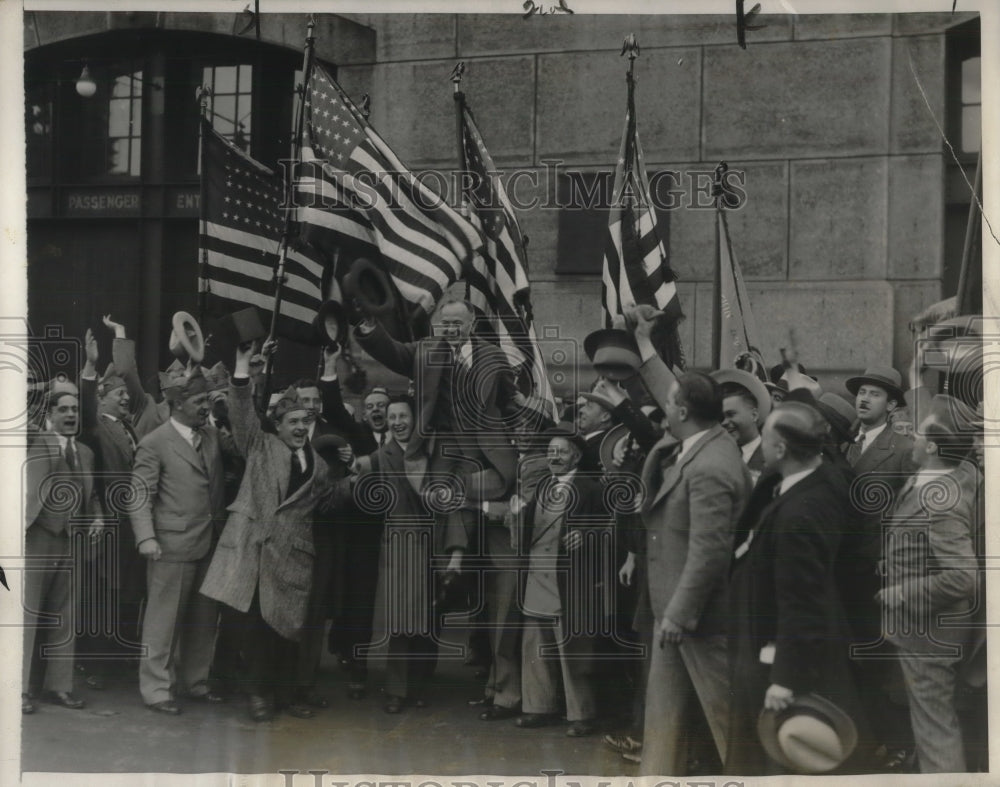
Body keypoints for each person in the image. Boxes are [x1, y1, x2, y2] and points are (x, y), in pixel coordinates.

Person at [199, 340, 352, 722]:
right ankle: (257, 695)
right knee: (251, 627)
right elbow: (240, 411)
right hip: (252, 549)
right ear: (278, 426)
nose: (300, 428)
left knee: (284, 629)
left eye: (304, 422)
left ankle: (283, 696)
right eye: (293, 423)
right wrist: (240, 366)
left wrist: (353, 476)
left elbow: (331, 501)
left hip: (292, 556)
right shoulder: (260, 444)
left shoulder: (319, 465)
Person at [628, 306, 751, 776]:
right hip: (674, 613)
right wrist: (643, 341)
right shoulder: (703, 436)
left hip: (696, 616)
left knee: (727, 724)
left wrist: (679, 613)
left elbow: (710, 550)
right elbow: (667, 389)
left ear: (683, 412)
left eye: (671, 403)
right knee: (664, 721)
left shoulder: (712, 467)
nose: (665, 405)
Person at [726, 402, 867, 775]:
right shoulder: (820, 482)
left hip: (790, 666)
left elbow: (802, 601)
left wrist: (784, 679)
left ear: (780, 450)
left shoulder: (799, 514)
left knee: (777, 767)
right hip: (803, 650)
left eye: (768, 438)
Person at [877, 395, 981, 773]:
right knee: (930, 722)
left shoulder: (942, 504)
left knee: (935, 729)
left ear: (933, 447)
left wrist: (901, 591)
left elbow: (962, 578)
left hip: (929, 634)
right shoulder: (955, 474)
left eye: (919, 434)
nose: (912, 438)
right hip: (924, 631)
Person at [130, 365, 227, 715]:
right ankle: (157, 689)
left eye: (207, 399)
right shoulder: (154, 443)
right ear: (179, 404)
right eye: (200, 401)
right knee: (164, 620)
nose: (206, 406)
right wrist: (145, 537)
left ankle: (195, 682)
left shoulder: (212, 436)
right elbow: (139, 494)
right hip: (170, 546)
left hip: (209, 542)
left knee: (204, 619)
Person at [515, 426, 611, 737]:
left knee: (572, 649)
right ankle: (537, 707)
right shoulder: (542, 485)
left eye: (562, 452)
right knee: (535, 646)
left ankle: (582, 714)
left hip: (571, 583)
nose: (554, 457)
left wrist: (588, 536)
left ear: (577, 456)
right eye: (551, 452)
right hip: (536, 578)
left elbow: (614, 532)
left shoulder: (592, 489)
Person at [351, 396, 438, 712]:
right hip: (400, 546)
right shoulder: (378, 457)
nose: (398, 422)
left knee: (427, 620)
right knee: (401, 621)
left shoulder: (431, 452)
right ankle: (396, 691)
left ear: (414, 419)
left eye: (404, 416)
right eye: (393, 417)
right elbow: (359, 491)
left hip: (431, 545)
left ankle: (418, 686)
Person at [22, 382, 104, 714]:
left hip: (72, 541)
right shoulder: (35, 442)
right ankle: (20, 689)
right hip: (38, 538)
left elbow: (93, 495)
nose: (70, 415)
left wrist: (97, 517)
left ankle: (59, 687)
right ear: (50, 415)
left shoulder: (85, 452)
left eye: (74, 409)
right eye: (63, 409)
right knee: (27, 617)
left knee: (64, 616)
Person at [844, 366, 916, 490]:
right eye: (862, 392)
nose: (864, 399)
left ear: (890, 405)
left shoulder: (905, 449)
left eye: (875, 394)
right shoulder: (843, 441)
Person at [711, 369, 771, 485]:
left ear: (754, 415)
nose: (724, 422)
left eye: (731, 414)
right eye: (720, 417)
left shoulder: (772, 458)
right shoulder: (714, 458)